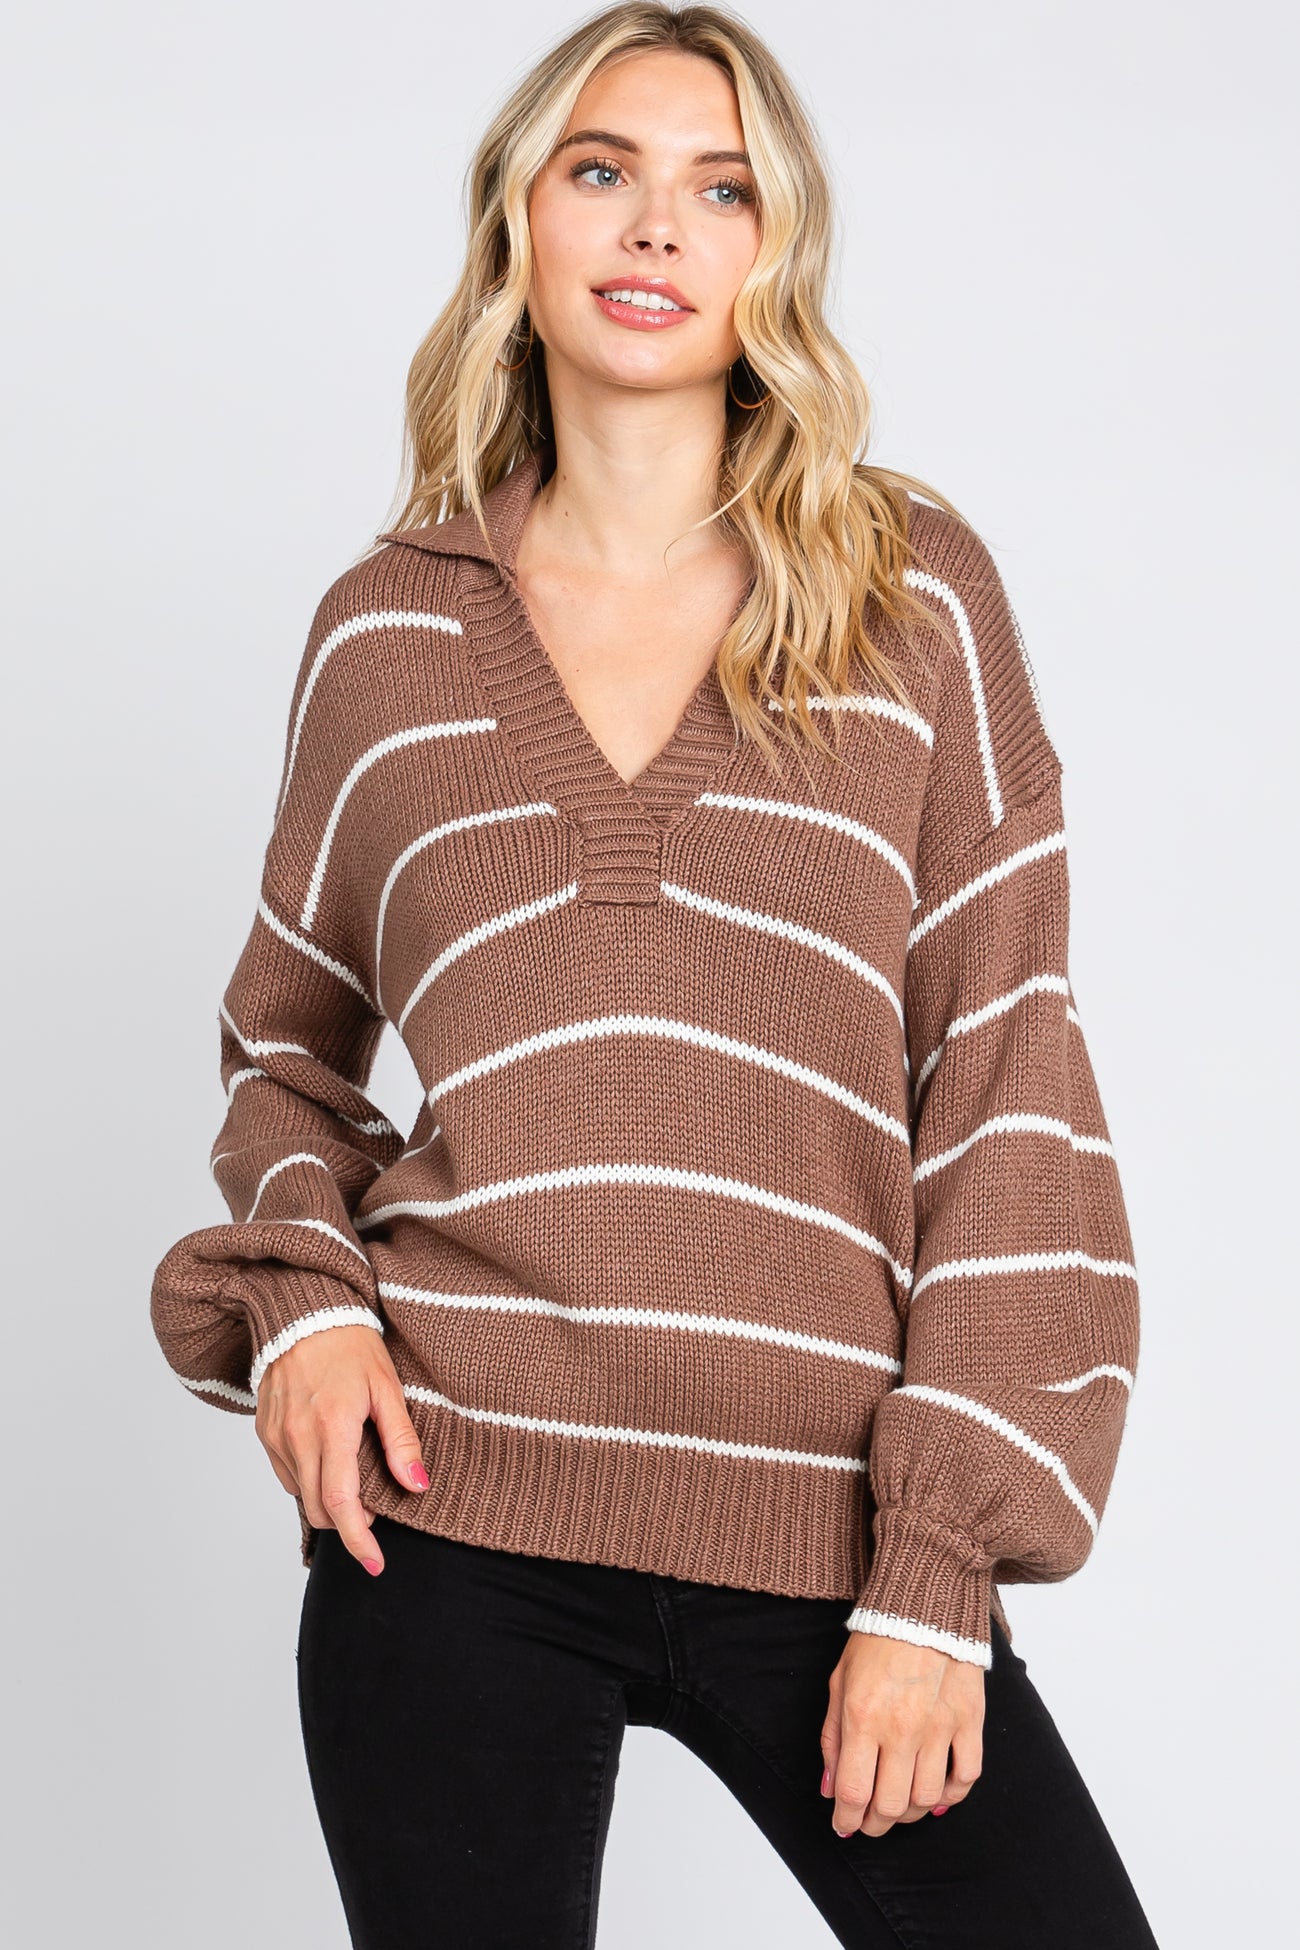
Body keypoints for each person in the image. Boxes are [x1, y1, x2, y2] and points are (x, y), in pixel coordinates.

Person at [150, 6, 1162, 1945]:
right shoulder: (385, 636)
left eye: (723, 189)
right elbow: (284, 1047)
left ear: (776, 251)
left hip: (834, 1534)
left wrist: (935, 1578)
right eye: (601, 168)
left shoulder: (910, 599)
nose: (654, 227)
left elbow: (1009, 1085)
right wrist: (308, 1310)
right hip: (453, 1518)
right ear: (517, 219)